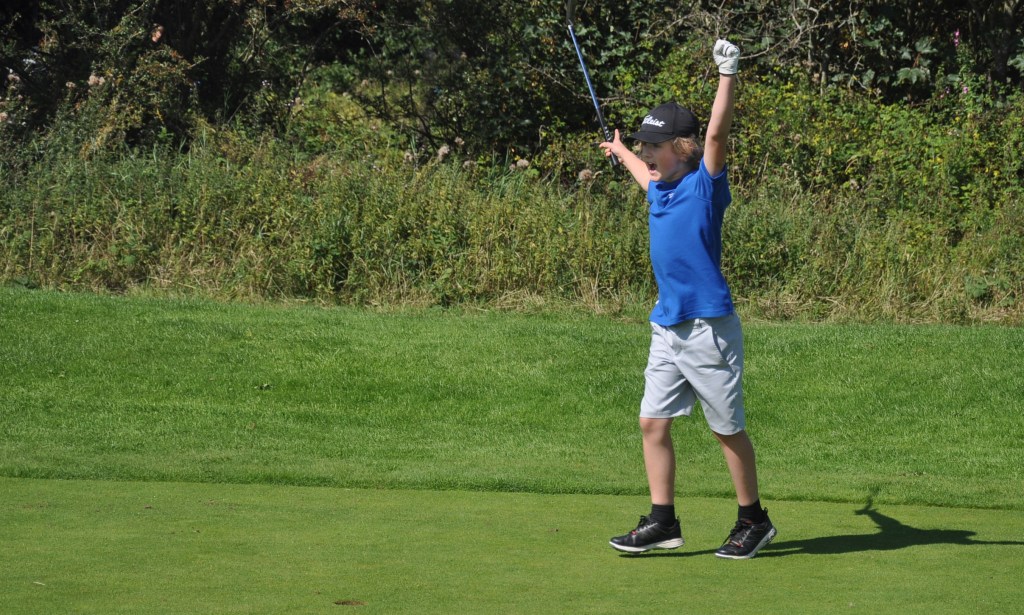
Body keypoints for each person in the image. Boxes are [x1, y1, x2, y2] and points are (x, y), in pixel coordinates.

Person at [599, 39, 776, 559]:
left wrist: (728, 73)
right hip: (667, 326)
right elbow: (641, 175)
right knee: (652, 423)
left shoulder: (704, 185)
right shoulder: (659, 187)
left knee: (726, 430)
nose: (647, 153)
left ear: (682, 147)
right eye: (644, 146)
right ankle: (663, 522)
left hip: (707, 328)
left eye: (654, 146)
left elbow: (717, 132)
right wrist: (621, 152)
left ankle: (754, 521)